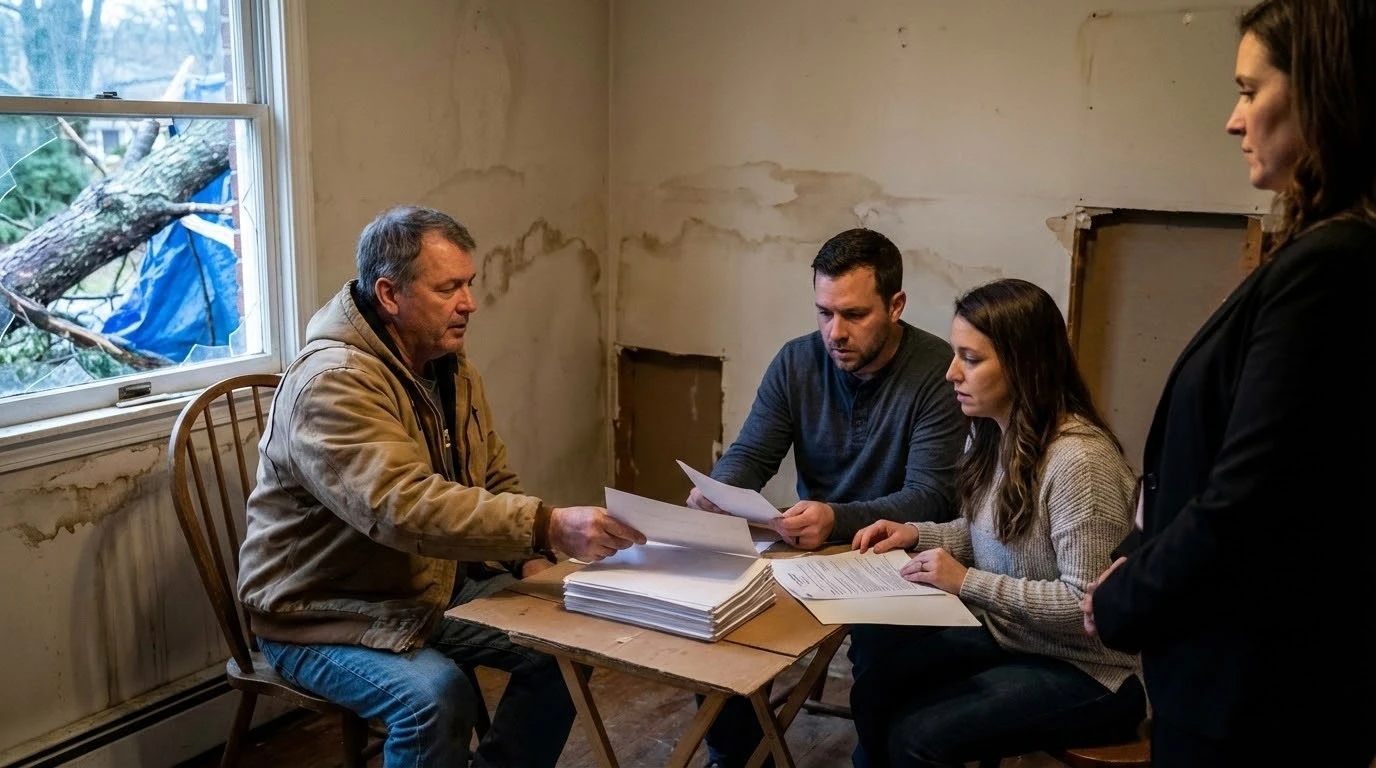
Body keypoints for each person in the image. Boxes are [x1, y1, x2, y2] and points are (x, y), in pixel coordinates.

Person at [236, 205, 645, 768]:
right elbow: (404, 510)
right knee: (435, 697)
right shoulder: (334, 385)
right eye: (449, 287)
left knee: (566, 647)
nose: (469, 303)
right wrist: (546, 524)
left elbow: (491, 474)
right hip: (325, 612)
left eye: (469, 284)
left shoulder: (447, 365)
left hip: (424, 588)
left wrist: (532, 555)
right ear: (389, 294)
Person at [1082, 2, 1376, 765]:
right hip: (1242, 681)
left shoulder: (1333, 264)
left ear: (1318, 93)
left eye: (1250, 91)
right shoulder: (1318, 252)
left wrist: (1123, 599)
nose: (1233, 120)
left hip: (1255, 697)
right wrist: (1138, 555)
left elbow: (1251, 499)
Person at [686, 227, 967, 767]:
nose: (834, 332)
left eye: (854, 315)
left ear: (896, 305)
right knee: (710, 616)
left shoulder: (937, 372)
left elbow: (932, 497)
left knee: (884, 660)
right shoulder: (797, 361)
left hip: (899, 557)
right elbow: (752, 453)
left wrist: (835, 518)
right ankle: (742, 758)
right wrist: (718, 491)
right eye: (823, 312)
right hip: (807, 545)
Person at [848, 278, 1145, 768]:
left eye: (970, 358)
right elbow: (992, 535)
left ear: (1023, 364)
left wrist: (966, 582)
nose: (950, 374)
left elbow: (1087, 605)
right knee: (875, 692)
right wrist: (917, 533)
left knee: (919, 738)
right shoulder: (991, 434)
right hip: (1017, 637)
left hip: (1091, 670)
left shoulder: (1079, 462)